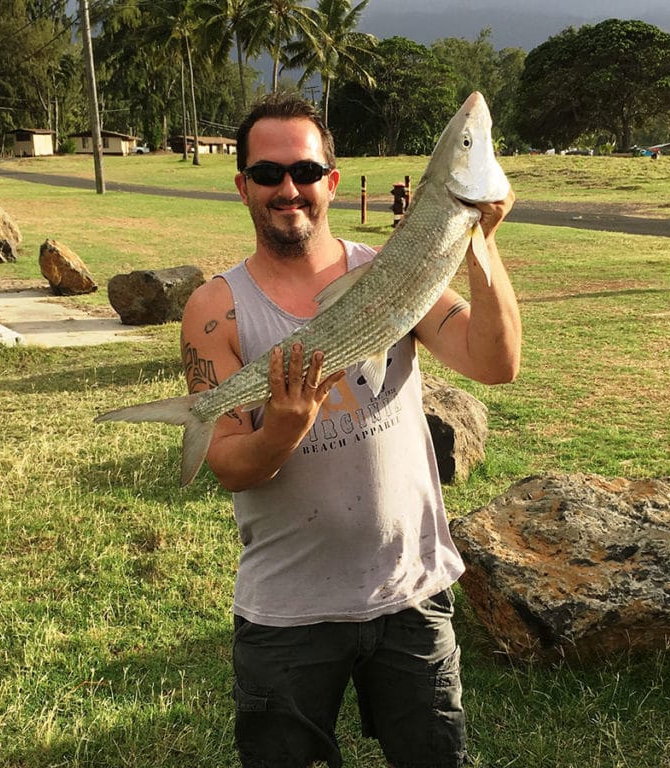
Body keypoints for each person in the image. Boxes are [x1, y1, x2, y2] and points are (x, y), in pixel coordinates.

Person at [180, 91, 521, 768]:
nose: (289, 189)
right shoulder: (215, 308)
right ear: (243, 185)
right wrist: (281, 429)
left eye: (304, 172)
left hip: (413, 594)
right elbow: (230, 468)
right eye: (269, 173)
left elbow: (496, 362)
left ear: (331, 183)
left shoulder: (388, 273)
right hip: (288, 612)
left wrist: (479, 242)